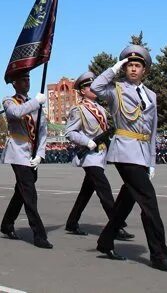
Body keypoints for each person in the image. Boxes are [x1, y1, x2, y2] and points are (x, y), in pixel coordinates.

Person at [92, 45, 167, 273]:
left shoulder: (151, 95)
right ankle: (159, 254)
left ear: (145, 70)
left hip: (141, 153)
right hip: (124, 150)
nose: (133, 68)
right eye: (129, 65)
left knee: (128, 199)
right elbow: (95, 87)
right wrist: (114, 69)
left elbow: (152, 131)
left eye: (137, 65)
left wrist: (151, 161)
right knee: (148, 201)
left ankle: (105, 240)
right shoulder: (116, 89)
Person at [64, 71, 134, 241]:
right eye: (89, 86)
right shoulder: (78, 110)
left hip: (100, 154)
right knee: (104, 190)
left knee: (86, 192)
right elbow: (70, 132)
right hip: (89, 156)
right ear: (82, 91)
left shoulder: (101, 109)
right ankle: (115, 226)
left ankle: (72, 222)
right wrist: (86, 142)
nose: (93, 89)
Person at [0, 70, 52, 249]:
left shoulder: (35, 103)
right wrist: (36, 102)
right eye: (22, 80)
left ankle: (7, 224)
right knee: (29, 192)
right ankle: (39, 234)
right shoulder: (9, 100)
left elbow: (43, 130)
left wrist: (40, 154)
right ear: (14, 83)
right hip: (18, 151)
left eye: (28, 79)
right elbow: (16, 113)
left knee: (21, 191)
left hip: (32, 153)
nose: (26, 82)